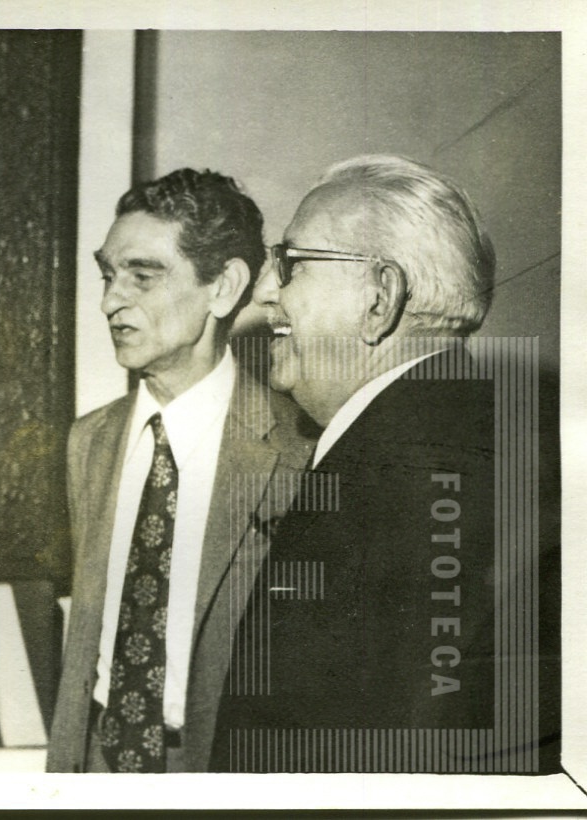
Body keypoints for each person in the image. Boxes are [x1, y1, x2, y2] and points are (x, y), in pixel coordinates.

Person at [211, 154, 508, 771]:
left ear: (380, 299)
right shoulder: (463, 442)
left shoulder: (388, 478)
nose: (265, 292)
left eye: (291, 263)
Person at [46, 168, 312, 773]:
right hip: (95, 763)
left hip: (217, 773)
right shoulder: (89, 441)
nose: (111, 301)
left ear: (224, 287)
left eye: (143, 276)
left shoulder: (298, 451)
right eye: (108, 276)